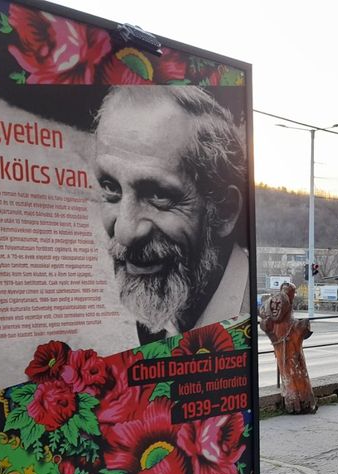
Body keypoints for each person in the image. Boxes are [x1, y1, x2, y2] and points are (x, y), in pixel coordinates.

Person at [93, 85, 248, 345]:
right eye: (110, 188)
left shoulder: (253, 321)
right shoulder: (157, 310)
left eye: (158, 195)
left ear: (224, 210)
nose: (125, 232)